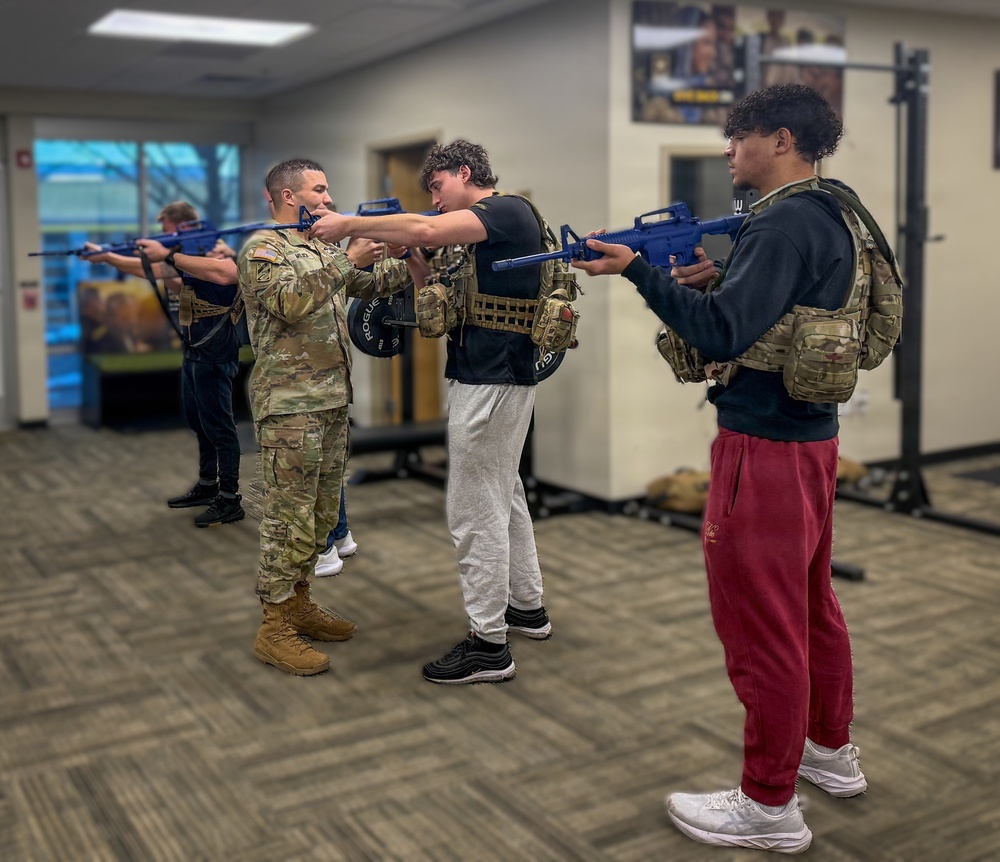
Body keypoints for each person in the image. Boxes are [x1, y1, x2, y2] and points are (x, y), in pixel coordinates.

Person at [572, 85, 870, 853]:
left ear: (778, 140)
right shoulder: (832, 211)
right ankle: (828, 753)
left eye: (737, 140)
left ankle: (769, 805)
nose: (729, 154)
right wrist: (707, 282)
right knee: (809, 609)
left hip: (763, 449)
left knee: (761, 627)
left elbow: (731, 333)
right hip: (811, 441)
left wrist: (641, 273)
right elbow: (766, 309)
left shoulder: (780, 224)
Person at [309, 140, 552, 685]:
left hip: (493, 379)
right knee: (503, 493)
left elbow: (422, 228)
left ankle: (488, 644)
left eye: (438, 187)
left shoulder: (505, 210)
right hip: (488, 375)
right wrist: (416, 264)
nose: (436, 201)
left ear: (465, 173)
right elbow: (435, 298)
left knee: (473, 509)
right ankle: (526, 609)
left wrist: (347, 226)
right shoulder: (477, 232)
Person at [238, 158, 412, 677]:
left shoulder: (317, 246)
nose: (330, 197)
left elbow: (372, 286)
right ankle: (274, 626)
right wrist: (344, 256)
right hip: (289, 406)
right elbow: (290, 303)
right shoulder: (263, 249)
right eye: (320, 189)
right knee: (286, 517)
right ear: (290, 197)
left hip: (332, 401)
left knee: (318, 518)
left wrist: (409, 252)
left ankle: (299, 603)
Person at [84, 202, 245, 528]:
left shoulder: (215, 249)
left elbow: (225, 273)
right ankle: (207, 484)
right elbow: (154, 271)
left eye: (168, 231)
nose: (164, 237)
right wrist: (107, 256)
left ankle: (230, 499)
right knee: (198, 421)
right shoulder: (185, 256)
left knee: (221, 428)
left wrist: (166, 255)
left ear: (184, 228)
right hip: (195, 349)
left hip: (215, 351)